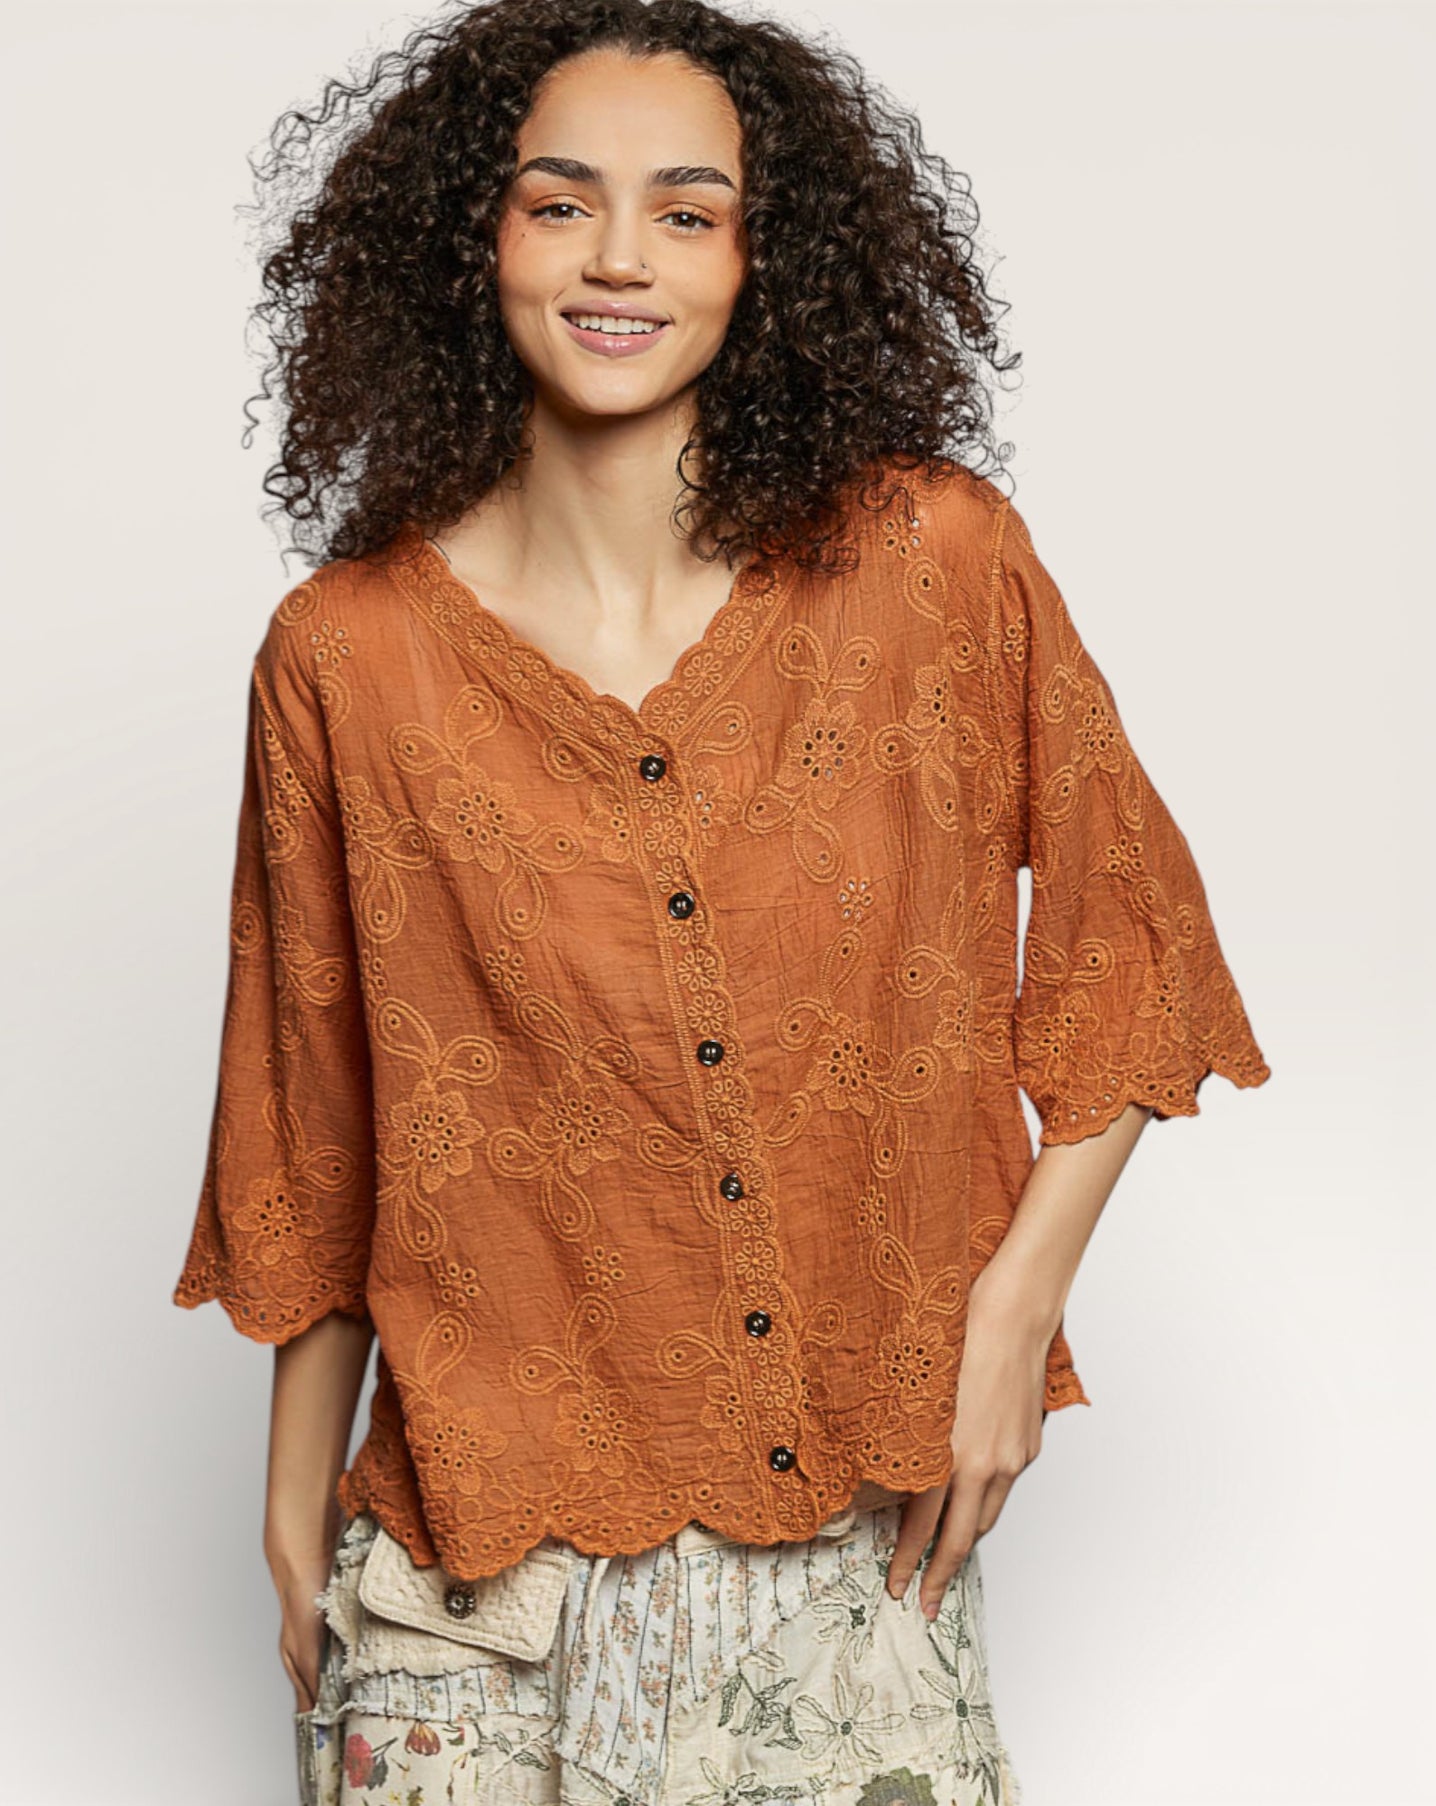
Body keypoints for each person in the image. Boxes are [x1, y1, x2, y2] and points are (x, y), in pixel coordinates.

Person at [171, 2, 1272, 1801]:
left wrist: (1001, 1324)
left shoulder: (934, 562)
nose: (619, 258)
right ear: (475, 237)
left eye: (687, 210)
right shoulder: (343, 661)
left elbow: (1126, 948)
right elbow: (325, 1121)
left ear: (772, 258)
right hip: (458, 1597)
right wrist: (293, 1513)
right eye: (558, 202)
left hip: (847, 1573)